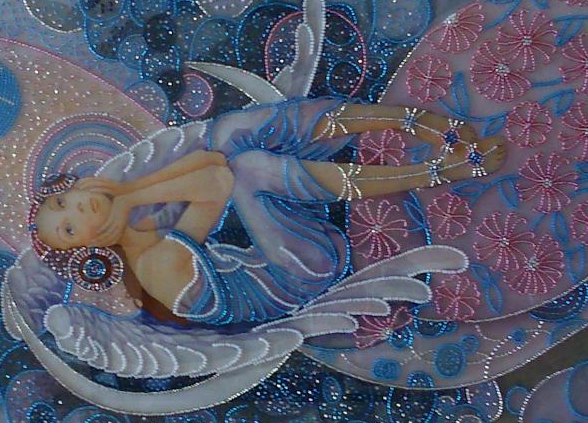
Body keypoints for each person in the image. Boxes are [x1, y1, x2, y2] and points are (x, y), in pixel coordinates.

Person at [29, 97, 504, 327]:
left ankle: (411, 120)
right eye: (69, 227)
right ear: (88, 250)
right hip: (303, 271)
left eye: (62, 201)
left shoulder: (145, 224)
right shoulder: (153, 267)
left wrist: (128, 190)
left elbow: (211, 160)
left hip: (279, 238)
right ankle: (439, 171)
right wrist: (130, 197)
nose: (76, 208)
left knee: (230, 134)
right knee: (250, 169)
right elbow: (218, 181)